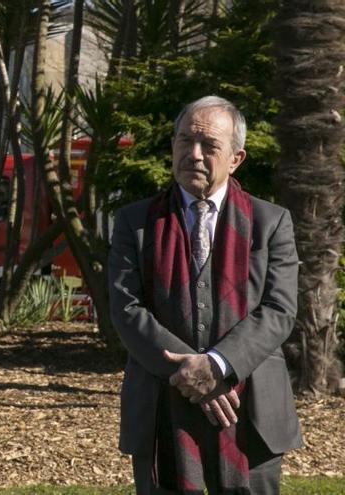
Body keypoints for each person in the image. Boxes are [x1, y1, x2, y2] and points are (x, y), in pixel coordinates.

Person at [108, 96, 302, 494]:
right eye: (184, 141)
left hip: (250, 413)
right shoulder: (136, 222)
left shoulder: (271, 222)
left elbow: (279, 309)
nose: (193, 154)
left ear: (235, 158)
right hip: (162, 408)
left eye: (209, 146)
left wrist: (217, 366)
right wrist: (188, 374)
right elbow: (126, 309)